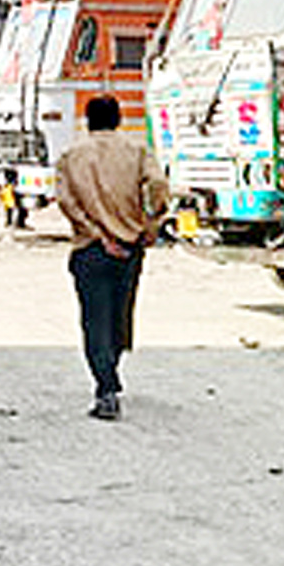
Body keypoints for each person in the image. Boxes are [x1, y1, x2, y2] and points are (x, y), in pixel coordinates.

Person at [55, 95, 168, 420]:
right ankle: (110, 374)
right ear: (119, 119)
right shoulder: (138, 151)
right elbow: (158, 185)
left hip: (89, 249)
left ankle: (106, 389)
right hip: (130, 246)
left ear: (87, 120)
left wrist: (98, 235)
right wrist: (151, 224)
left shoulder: (71, 156)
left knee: (95, 321)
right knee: (120, 317)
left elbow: (67, 202)